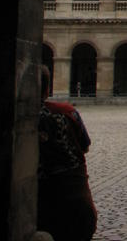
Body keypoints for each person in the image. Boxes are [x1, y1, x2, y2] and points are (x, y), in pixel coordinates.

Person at [37, 65, 97, 241]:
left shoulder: (17, 116)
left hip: (37, 206)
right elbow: (85, 146)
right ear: (48, 89)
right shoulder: (67, 112)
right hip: (77, 201)